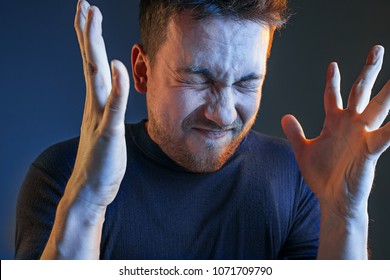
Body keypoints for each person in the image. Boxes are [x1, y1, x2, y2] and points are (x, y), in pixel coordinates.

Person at [15, 0, 390, 260]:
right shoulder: (63, 176)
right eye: (198, 79)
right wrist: (87, 203)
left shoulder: (298, 179)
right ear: (143, 71)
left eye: (246, 83)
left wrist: (344, 216)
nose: (223, 114)